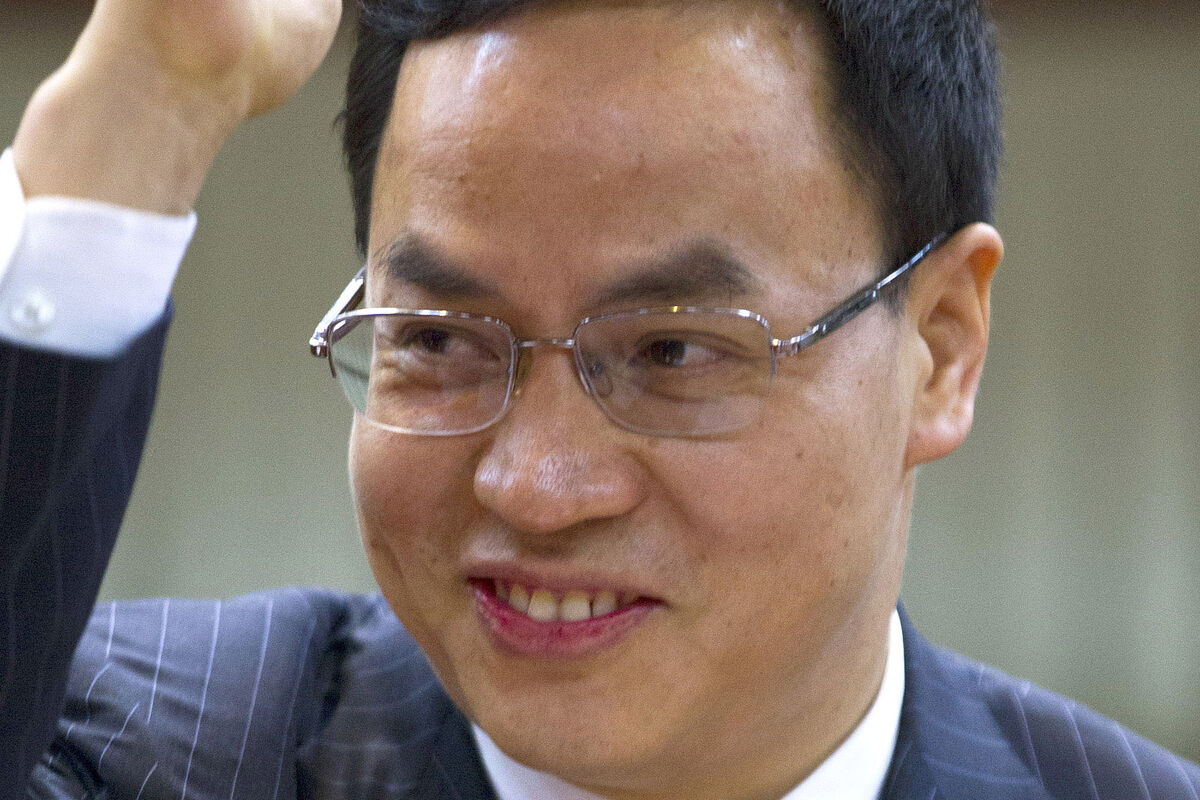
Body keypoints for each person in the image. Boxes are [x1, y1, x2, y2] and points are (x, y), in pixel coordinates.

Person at [1, 0, 1197, 798]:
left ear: (939, 349)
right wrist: (144, 104)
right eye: (439, 339)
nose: (536, 483)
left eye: (672, 350)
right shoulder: (139, 748)